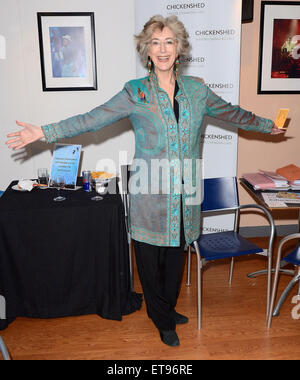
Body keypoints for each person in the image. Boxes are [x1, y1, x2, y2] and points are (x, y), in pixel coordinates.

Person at [6, 15, 285, 347]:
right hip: (149, 193)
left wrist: (267, 125)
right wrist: (44, 132)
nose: (163, 49)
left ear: (179, 48)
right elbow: (92, 119)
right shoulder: (135, 93)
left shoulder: (198, 91)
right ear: (146, 50)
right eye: (155, 42)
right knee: (151, 261)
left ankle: (164, 307)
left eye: (169, 42)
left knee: (177, 256)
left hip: (186, 194)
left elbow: (233, 113)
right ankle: (162, 317)